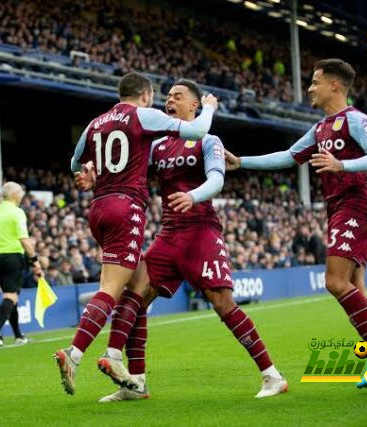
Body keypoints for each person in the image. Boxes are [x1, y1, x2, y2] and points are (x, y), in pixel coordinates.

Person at [81, 79, 287, 401]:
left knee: (223, 304)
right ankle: (135, 383)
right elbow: (126, 163)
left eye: (177, 96)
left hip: (201, 229)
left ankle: (271, 375)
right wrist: (93, 172)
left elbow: (217, 180)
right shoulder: (158, 145)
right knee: (134, 294)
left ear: (194, 105)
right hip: (169, 233)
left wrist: (192, 196)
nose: (170, 100)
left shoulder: (209, 139)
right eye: (167, 97)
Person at [224, 58, 367, 393]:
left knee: (335, 282)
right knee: (356, 288)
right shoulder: (321, 127)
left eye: (314, 82)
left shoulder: (354, 120)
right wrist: (243, 162)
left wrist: (342, 164)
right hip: (338, 208)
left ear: (334, 86)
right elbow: (288, 155)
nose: (309, 88)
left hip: (355, 205)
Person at [55, 71, 219, 395]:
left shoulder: (95, 123)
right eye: (156, 97)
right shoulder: (142, 115)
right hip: (124, 207)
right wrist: (210, 107)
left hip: (98, 208)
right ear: (145, 94)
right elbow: (199, 128)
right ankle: (73, 355)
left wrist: (88, 175)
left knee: (140, 284)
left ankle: (134, 379)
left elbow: (75, 163)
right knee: (111, 287)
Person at [0, 182, 42, 347]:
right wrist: (35, 261)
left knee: (11, 295)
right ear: (14, 194)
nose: (22, 195)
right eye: (21, 192)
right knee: (10, 296)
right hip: (13, 257)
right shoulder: (17, 212)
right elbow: (24, 240)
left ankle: (18, 335)